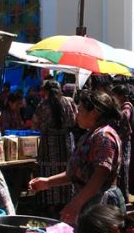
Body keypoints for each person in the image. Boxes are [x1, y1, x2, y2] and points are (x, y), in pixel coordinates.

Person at [29, 90, 123, 225]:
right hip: (88, 201)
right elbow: (76, 174)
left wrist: (76, 204)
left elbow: (100, 175)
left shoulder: (104, 137)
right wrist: (48, 182)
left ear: (94, 113)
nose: (76, 114)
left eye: (80, 110)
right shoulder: (91, 135)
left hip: (100, 206)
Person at [32, 79, 77, 214]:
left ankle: (51, 205)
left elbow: (35, 123)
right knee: (66, 169)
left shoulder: (43, 105)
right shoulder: (69, 101)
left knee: (49, 170)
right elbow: (74, 120)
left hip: (49, 141)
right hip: (66, 141)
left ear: (45, 91)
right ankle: (66, 201)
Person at [111, 84, 134, 203]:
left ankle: (124, 197)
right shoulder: (124, 106)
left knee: (123, 168)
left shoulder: (126, 107)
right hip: (122, 141)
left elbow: (125, 116)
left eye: (114, 95)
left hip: (124, 142)